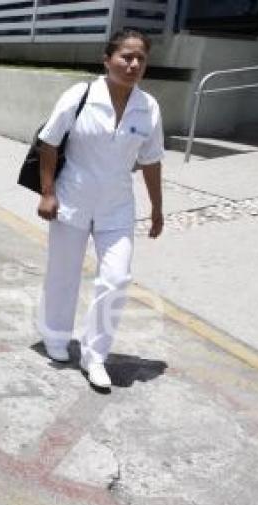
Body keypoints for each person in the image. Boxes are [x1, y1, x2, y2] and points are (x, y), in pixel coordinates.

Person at [36, 29, 164, 389]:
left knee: (117, 278)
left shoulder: (149, 107)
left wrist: (157, 208)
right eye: (126, 56)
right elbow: (49, 142)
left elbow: (152, 161)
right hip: (72, 198)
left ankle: (95, 356)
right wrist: (47, 193)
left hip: (117, 206)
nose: (134, 64)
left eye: (140, 58)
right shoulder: (81, 96)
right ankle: (56, 337)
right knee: (64, 272)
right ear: (107, 59)